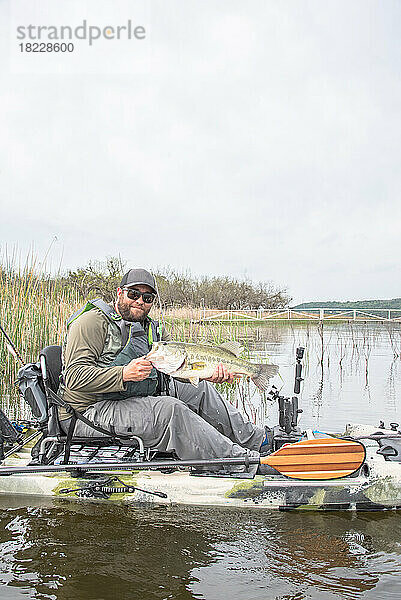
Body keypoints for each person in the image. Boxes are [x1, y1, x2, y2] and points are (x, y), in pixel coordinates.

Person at [59, 268, 272, 475]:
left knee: (199, 390)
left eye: (148, 297)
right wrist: (123, 374)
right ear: (119, 293)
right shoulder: (92, 322)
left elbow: (170, 372)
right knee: (169, 410)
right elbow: (73, 377)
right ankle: (241, 463)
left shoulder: (151, 329)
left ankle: (257, 441)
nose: (140, 301)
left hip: (127, 398)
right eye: (133, 294)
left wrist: (204, 374)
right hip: (86, 413)